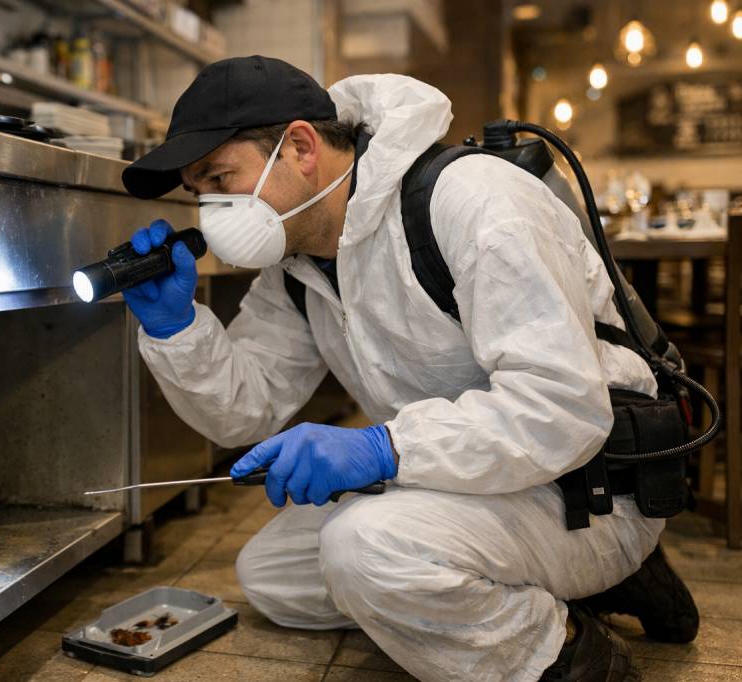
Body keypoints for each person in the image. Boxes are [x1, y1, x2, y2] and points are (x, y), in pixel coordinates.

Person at [118, 56, 696, 682]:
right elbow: (245, 410)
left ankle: (574, 659)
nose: (210, 211)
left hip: (592, 483)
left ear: (302, 147)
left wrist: (383, 447)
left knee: (365, 552)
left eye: (220, 178)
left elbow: (560, 408)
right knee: (272, 576)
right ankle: (565, 582)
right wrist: (176, 329)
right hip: (472, 477)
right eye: (198, 192)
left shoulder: (469, 199)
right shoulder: (298, 267)